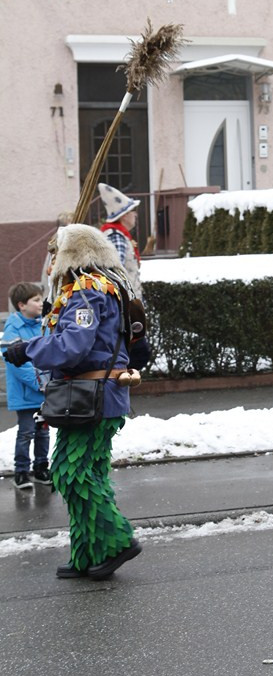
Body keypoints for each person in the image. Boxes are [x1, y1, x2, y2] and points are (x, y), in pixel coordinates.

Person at [2, 224, 142, 579]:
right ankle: (88, 555)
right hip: (88, 398)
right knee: (85, 473)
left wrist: (27, 349)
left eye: (54, 254)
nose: (50, 262)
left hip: (93, 397)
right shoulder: (94, 288)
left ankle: (118, 541)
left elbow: (73, 346)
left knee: (71, 473)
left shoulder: (87, 292)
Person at [1, 283, 49, 490]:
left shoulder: (42, 325)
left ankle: (41, 467)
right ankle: (21, 471)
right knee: (26, 432)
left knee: (43, 431)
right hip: (26, 394)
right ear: (22, 305)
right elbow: (15, 363)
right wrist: (40, 383)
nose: (41, 303)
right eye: (36, 300)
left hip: (43, 393)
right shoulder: (13, 328)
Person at [98, 182, 149, 369]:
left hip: (125, 305)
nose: (136, 215)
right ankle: (119, 385)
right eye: (133, 212)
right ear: (125, 215)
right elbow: (113, 269)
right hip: (123, 306)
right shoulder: (116, 236)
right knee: (137, 353)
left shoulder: (119, 235)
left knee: (134, 352)